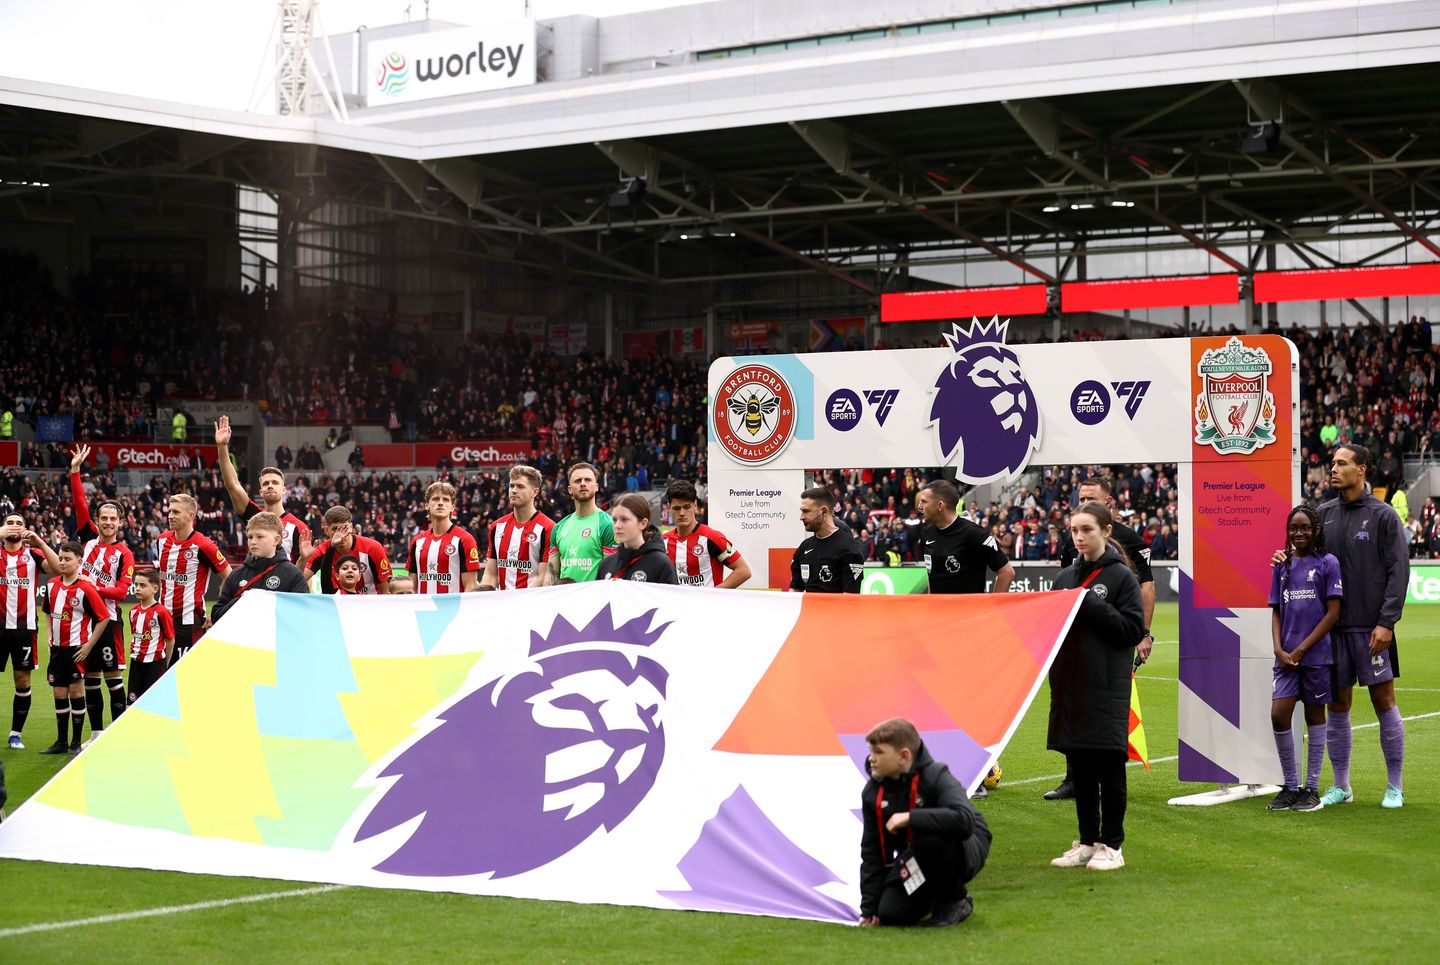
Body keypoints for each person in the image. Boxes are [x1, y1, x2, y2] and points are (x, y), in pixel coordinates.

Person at [1047, 501, 1145, 872]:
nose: (1080, 537)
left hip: (1106, 689)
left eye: (1087, 529)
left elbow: (1132, 630)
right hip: (1070, 688)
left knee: (1108, 769)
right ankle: (1087, 841)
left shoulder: (1121, 578)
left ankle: (1113, 845)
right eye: (1074, 530)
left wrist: (1089, 603)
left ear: (1106, 531)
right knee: (1081, 770)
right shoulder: (1064, 578)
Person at [1047, 476, 1156, 802]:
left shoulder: (1130, 542)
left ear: (1108, 504)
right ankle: (1073, 780)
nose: (1083, 502)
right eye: (1080, 496)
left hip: (1109, 648)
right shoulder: (1073, 545)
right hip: (1074, 650)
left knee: (1105, 713)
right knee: (1070, 709)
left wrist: (1144, 634)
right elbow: (1062, 596)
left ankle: (1107, 788)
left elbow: (1146, 588)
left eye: (1090, 497)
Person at [1313, 445, 1410, 808]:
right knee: (1338, 705)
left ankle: (1395, 786)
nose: (1333, 469)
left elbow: (1398, 570)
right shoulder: (1324, 514)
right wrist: (1285, 558)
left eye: (1342, 463)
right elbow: (1309, 561)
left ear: (1362, 470)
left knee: (1384, 701)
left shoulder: (1383, 516)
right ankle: (1342, 786)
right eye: (1333, 463)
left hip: (1371, 630)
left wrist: (1386, 623)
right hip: (1333, 630)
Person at [858, 717, 991, 928]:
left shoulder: (936, 775)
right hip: (917, 852)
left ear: (903, 756)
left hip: (966, 843)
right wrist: (869, 908)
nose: (871, 759)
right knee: (891, 913)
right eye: (871, 751)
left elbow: (964, 821)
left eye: (879, 752)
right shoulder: (873, 792)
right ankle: (933, 894)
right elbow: (872, 851)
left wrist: (910, 817)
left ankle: (955, 900)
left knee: (929, 835)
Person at [1266, 505, 1343, 812]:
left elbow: (1333, 613)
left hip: (1316, 657)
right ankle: (1289, 785)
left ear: (1316, 531)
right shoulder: (1281, 566)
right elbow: (1275, 610)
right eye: (1294, 529)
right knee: (1279, 714)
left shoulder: (1328, 563)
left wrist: (1301, 649)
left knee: (1314, 716)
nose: (1299, 534)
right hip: (1285, 657)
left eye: (1305, 528)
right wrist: (1278, 648)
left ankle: (1311, 788)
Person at [68, 445, 134, 742]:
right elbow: (80, 503)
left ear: (121, 523)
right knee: (90, 679)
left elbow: (121, 592)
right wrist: (75, 471)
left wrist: (93, 587)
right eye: (103, 518)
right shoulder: (89, 542)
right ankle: (96, 735)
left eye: (113, 519)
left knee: (113, 680)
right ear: (98, 520)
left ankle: (118, 735)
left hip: (108, 623)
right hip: (84, 622)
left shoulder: (125, 554)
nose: (108, 523)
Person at [38, 541, 109, 756]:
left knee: (76, 691)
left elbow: (103, 617)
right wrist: (50, 639)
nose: (62, 562)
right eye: (60, 558)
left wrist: (89, 645)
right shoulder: (51, 585)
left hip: (77, 649)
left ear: (79, 562)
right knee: (59, 693)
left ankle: (75, 743)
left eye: (67, 559)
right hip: (58, 650)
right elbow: (49, 613)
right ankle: (61, 741)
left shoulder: (86, 588)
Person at [214, 415, 313, 565]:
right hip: (256, 587)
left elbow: (305, 575)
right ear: (260, 492)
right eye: (266, 483)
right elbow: (233, 485)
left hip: (284, 588)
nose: (270, 485)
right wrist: (222, 446)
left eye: (275, 482)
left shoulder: (298, 527)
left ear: (284, 490)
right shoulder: (254, 516)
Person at [152, 492, 233, 664]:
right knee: (159, 676)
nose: (170, 516)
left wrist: (218, 609)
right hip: (161, 618)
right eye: (170, 511)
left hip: (189, 622)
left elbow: (229, 576)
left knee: (185, 676)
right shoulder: (161, 541)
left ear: (190, 515)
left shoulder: (203, 544)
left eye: (176, 512)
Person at [1, 514, 55, 750]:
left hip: (24, 629)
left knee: (22, 680)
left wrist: (41, 542)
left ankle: (15, 734)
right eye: (10, 522)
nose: (14, 526)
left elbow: (57, 569)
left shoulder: (33, 554)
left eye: (19, 523)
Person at [915, 479, 1014, 594]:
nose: (919, 506)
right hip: (937, 610)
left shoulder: (974, 534)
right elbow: (931, 574)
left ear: (940, 505)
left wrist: (995, 609)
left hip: (970, 611)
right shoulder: (926, 533)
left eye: (924, 502)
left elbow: (1007, 572)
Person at [212, 512, 311, 624]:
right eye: (250, 537)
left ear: (276, 540)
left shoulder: (293, 574)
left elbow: (303, 616)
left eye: (260, 537)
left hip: (277, 640)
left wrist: (266, 601)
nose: (253, 542)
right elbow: (216, 616)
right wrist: (240, 601)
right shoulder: (236, 575)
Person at [661, 480, 750, 589]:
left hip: (708, 605)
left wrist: (713, 595)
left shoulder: (713, 538)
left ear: (695, 505)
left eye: (687, 507)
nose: (682, 513)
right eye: (676, 508)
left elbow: (743, 570)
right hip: (677, 605)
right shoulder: (663, 541)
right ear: (669, 508)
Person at [480, 465, 554, 591]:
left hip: (532, 605)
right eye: (511, 486)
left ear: (534, 492)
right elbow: (490, 574)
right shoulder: (497, 527)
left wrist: (517, 600)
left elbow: (544, 578)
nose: (514, 490)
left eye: (520, 486)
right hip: (504, 605)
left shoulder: (548, 528)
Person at [546, 463, 616, 584]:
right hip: (565, 599)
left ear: (596, 487)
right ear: (569, 489)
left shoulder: (607, 524)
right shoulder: (559, 527)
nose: (583, 483)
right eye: (578, 481)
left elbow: (611, 572)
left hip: (595, 600)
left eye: (588, 480)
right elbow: (552, 572)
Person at [406, 481, 480, 594]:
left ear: (452, 508)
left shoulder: (465, 539)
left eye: (445, 500)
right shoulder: (417, 541)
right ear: (427, 506)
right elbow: (412, 588)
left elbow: (470, 587)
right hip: (423, 610)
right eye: (435, 499)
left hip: (454, 610)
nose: (440, 503)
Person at [304, 505, 392, 595]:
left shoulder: (373, 548)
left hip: (369, 605)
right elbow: (296, 581)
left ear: (351, 527)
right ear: (326, 531)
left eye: (345, 528)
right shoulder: (322, 551)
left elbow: (385, 589)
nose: (341, 534)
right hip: (340, 606)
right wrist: (302, 559)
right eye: (335, 529)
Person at [790, 486, 863, 593]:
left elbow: (850, 599)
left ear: (823, 511)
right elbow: (794, 590)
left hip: (835, 610)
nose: (801, 517)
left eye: (806, 511)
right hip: (808, 610)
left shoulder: (849, 548)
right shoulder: (804, 548)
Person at [595, 494, 678, 584]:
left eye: (624, 519)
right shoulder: (606, 564)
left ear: (643, 523)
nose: (617, 525)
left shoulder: (661, 564)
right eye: (614, 520)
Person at [126, 568, 174, 705]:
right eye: (135, 585)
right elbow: (136, 636)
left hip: (155, 664)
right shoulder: (132, 612)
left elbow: (170, 639)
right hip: (136, 663)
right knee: (133, 704)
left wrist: (165, 663)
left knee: (154, 703)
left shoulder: (161, 612)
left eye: (142, 585)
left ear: (154, 589)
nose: (137, 588)